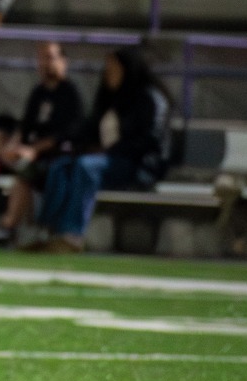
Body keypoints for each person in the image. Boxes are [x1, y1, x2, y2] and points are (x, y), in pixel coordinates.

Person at [34, 48, 171, 253]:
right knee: (60, 167)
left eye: (114, 68)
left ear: (128, 69)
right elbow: (87, 129)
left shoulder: (149, 98)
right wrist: (68, 145)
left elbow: (149, 141)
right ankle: (46, 232)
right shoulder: (110, 97)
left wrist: (108, 152)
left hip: (139, 164)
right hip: (108, 160)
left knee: (86, 167)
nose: (108, 72)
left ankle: (72, 234)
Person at [0, 42, 86, 247]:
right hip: (31, 153)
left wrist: (33, 150)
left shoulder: (69, 93)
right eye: (42, 58)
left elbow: (66, 134)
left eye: (51, 57)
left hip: (56, 155)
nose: (46, 63)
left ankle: (11, 228)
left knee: (25, 174)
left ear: (63, 61)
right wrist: (12, 146)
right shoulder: (39, 92)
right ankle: (14, 224)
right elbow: (26, 126)